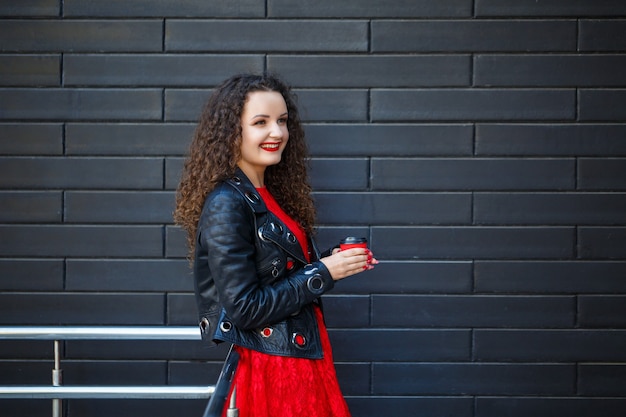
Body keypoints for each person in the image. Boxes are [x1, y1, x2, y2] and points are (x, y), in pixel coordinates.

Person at [174, 73, 378, 417]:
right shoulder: (227, 203)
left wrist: (335, 263)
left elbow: (279, 277)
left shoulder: (270, 196)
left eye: (282, 121)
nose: (277, 133)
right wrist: (322, 273)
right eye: (261, 122)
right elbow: (245, 309)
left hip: (300, 357)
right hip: (275, 368)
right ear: (231, 131)